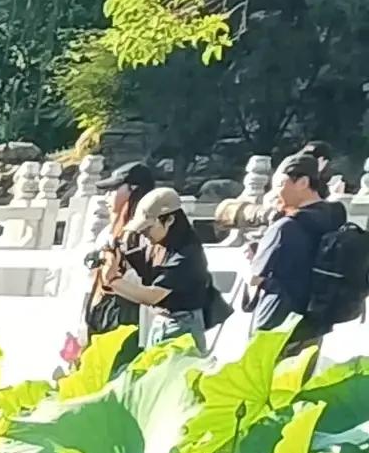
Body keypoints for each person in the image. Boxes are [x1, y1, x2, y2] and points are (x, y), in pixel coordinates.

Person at [239, 146, 366, 352]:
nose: (276, 193)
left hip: (277, 323)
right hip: (314, 323)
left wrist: (249, 262)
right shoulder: (336, 217)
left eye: (280, 184)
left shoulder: (285, 227)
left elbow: (255, 278)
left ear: (303, 183)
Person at [104, 189, 219, 345]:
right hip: (161, 321)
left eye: (147, 228)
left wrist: (112, 280)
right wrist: (112, 253)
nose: (143, 234)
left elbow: (152, 296)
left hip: (182, 326)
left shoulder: (186, 254)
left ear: (169, 220)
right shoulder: (158, 244)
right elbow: (131, 259)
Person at [80, 162, 153, 337]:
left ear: (134, 190)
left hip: (130, 311)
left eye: (113, 190)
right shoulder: (108, 232)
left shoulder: (147, 233)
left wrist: (115, 271)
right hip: (103, 307)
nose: (107, 196)